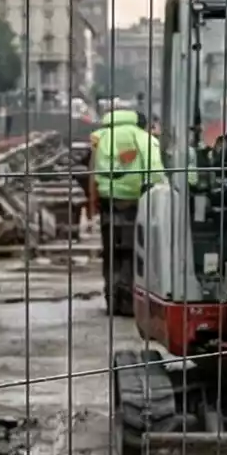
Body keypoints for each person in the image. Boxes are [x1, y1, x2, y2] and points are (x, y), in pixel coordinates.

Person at [86, 104, 162, 317]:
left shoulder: (99, 137)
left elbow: (91, 171)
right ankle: (129, 303)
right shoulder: (143, 138)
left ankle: (112, 300)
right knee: (132, 252)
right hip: (134, 203)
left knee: (111, 253)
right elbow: (155, 171)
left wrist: (93, 202)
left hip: (107, 202)